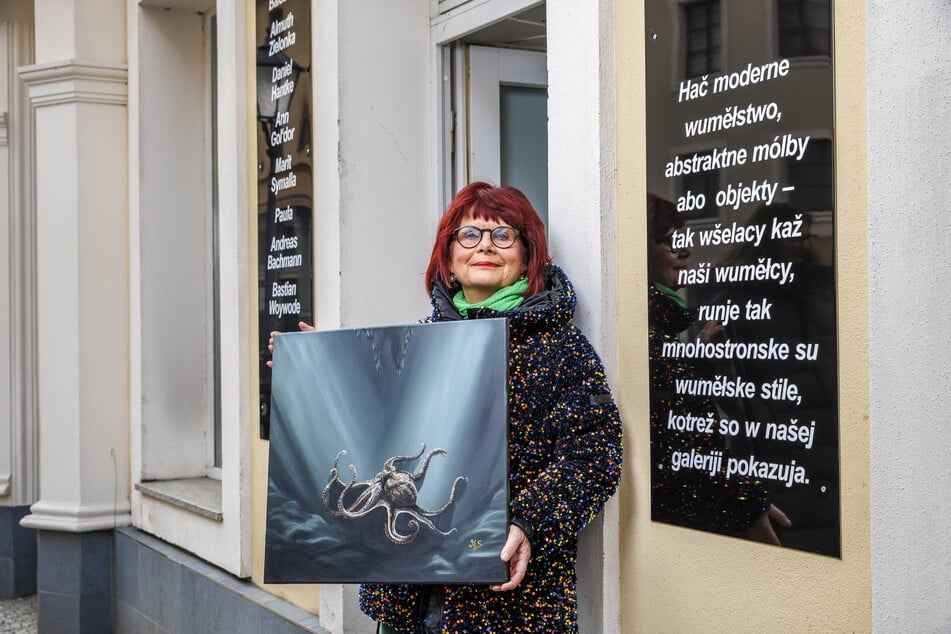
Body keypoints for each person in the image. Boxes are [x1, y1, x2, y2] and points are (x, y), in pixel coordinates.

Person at [272, 182, 622, 632]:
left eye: (503, 235)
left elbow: (595, 457)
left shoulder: (560, 350)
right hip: (408, 599)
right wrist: (317, 371)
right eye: (469, 235)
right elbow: (370, 433)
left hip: (507, 604)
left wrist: (529, 524)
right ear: (449, 255)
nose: (485, 248)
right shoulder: (417, 341)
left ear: (527, 254)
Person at [646, 193, 789, 544]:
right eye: (668, 240)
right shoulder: (641, 333)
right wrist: (742, 503)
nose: (684, 251)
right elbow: (672, 447)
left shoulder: (658, 327)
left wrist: (697, 361)